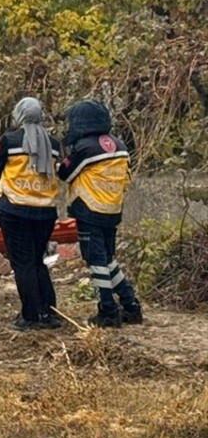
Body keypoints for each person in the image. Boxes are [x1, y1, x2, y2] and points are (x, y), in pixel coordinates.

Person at [59, 99, 142, 328]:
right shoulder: (120, 145)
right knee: (107, 258)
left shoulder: (85, 148)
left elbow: (65, 173)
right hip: (112, 209)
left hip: (89, 209)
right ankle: (130, 304)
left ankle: (107, 310)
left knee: (96, 261)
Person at [0, 97, 63, 330]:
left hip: (15, 210)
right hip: (45, 212)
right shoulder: (53, 144)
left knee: (22, 264)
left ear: (19, 115)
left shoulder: (10, 140)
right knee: (37, 261)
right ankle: (49, 312)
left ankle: (30, 315)